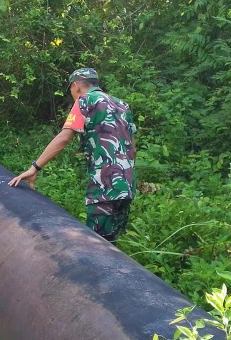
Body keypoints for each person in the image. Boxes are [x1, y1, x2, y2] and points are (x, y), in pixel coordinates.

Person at [8, 68, 136, 243]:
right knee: (111, 245)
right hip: (127, 186)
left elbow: (64, 138)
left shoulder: (85, 100)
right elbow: (132, 149)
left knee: (97, 247)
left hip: (105, 186)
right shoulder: (122, 105)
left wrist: (35, 167)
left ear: (76, 86)